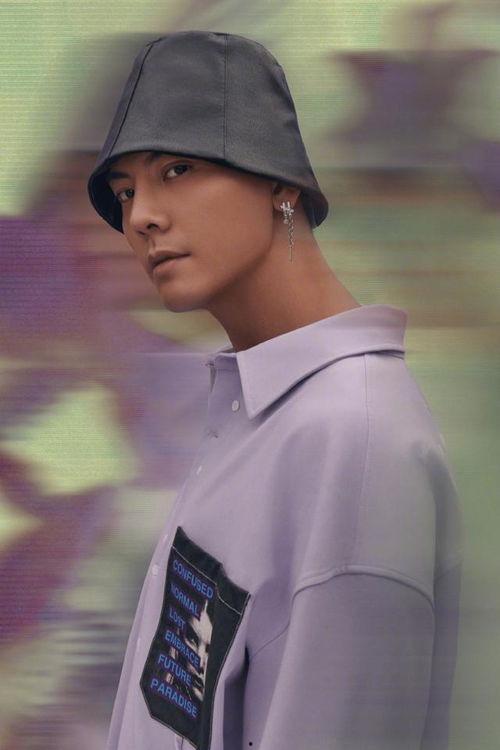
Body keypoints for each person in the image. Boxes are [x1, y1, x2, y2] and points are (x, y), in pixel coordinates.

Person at [87, 30, 464, 750]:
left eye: (178, 169)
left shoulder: (353, 443)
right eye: (126, 191)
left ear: (280, 182)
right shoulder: (259, 411)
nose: (140, 217)